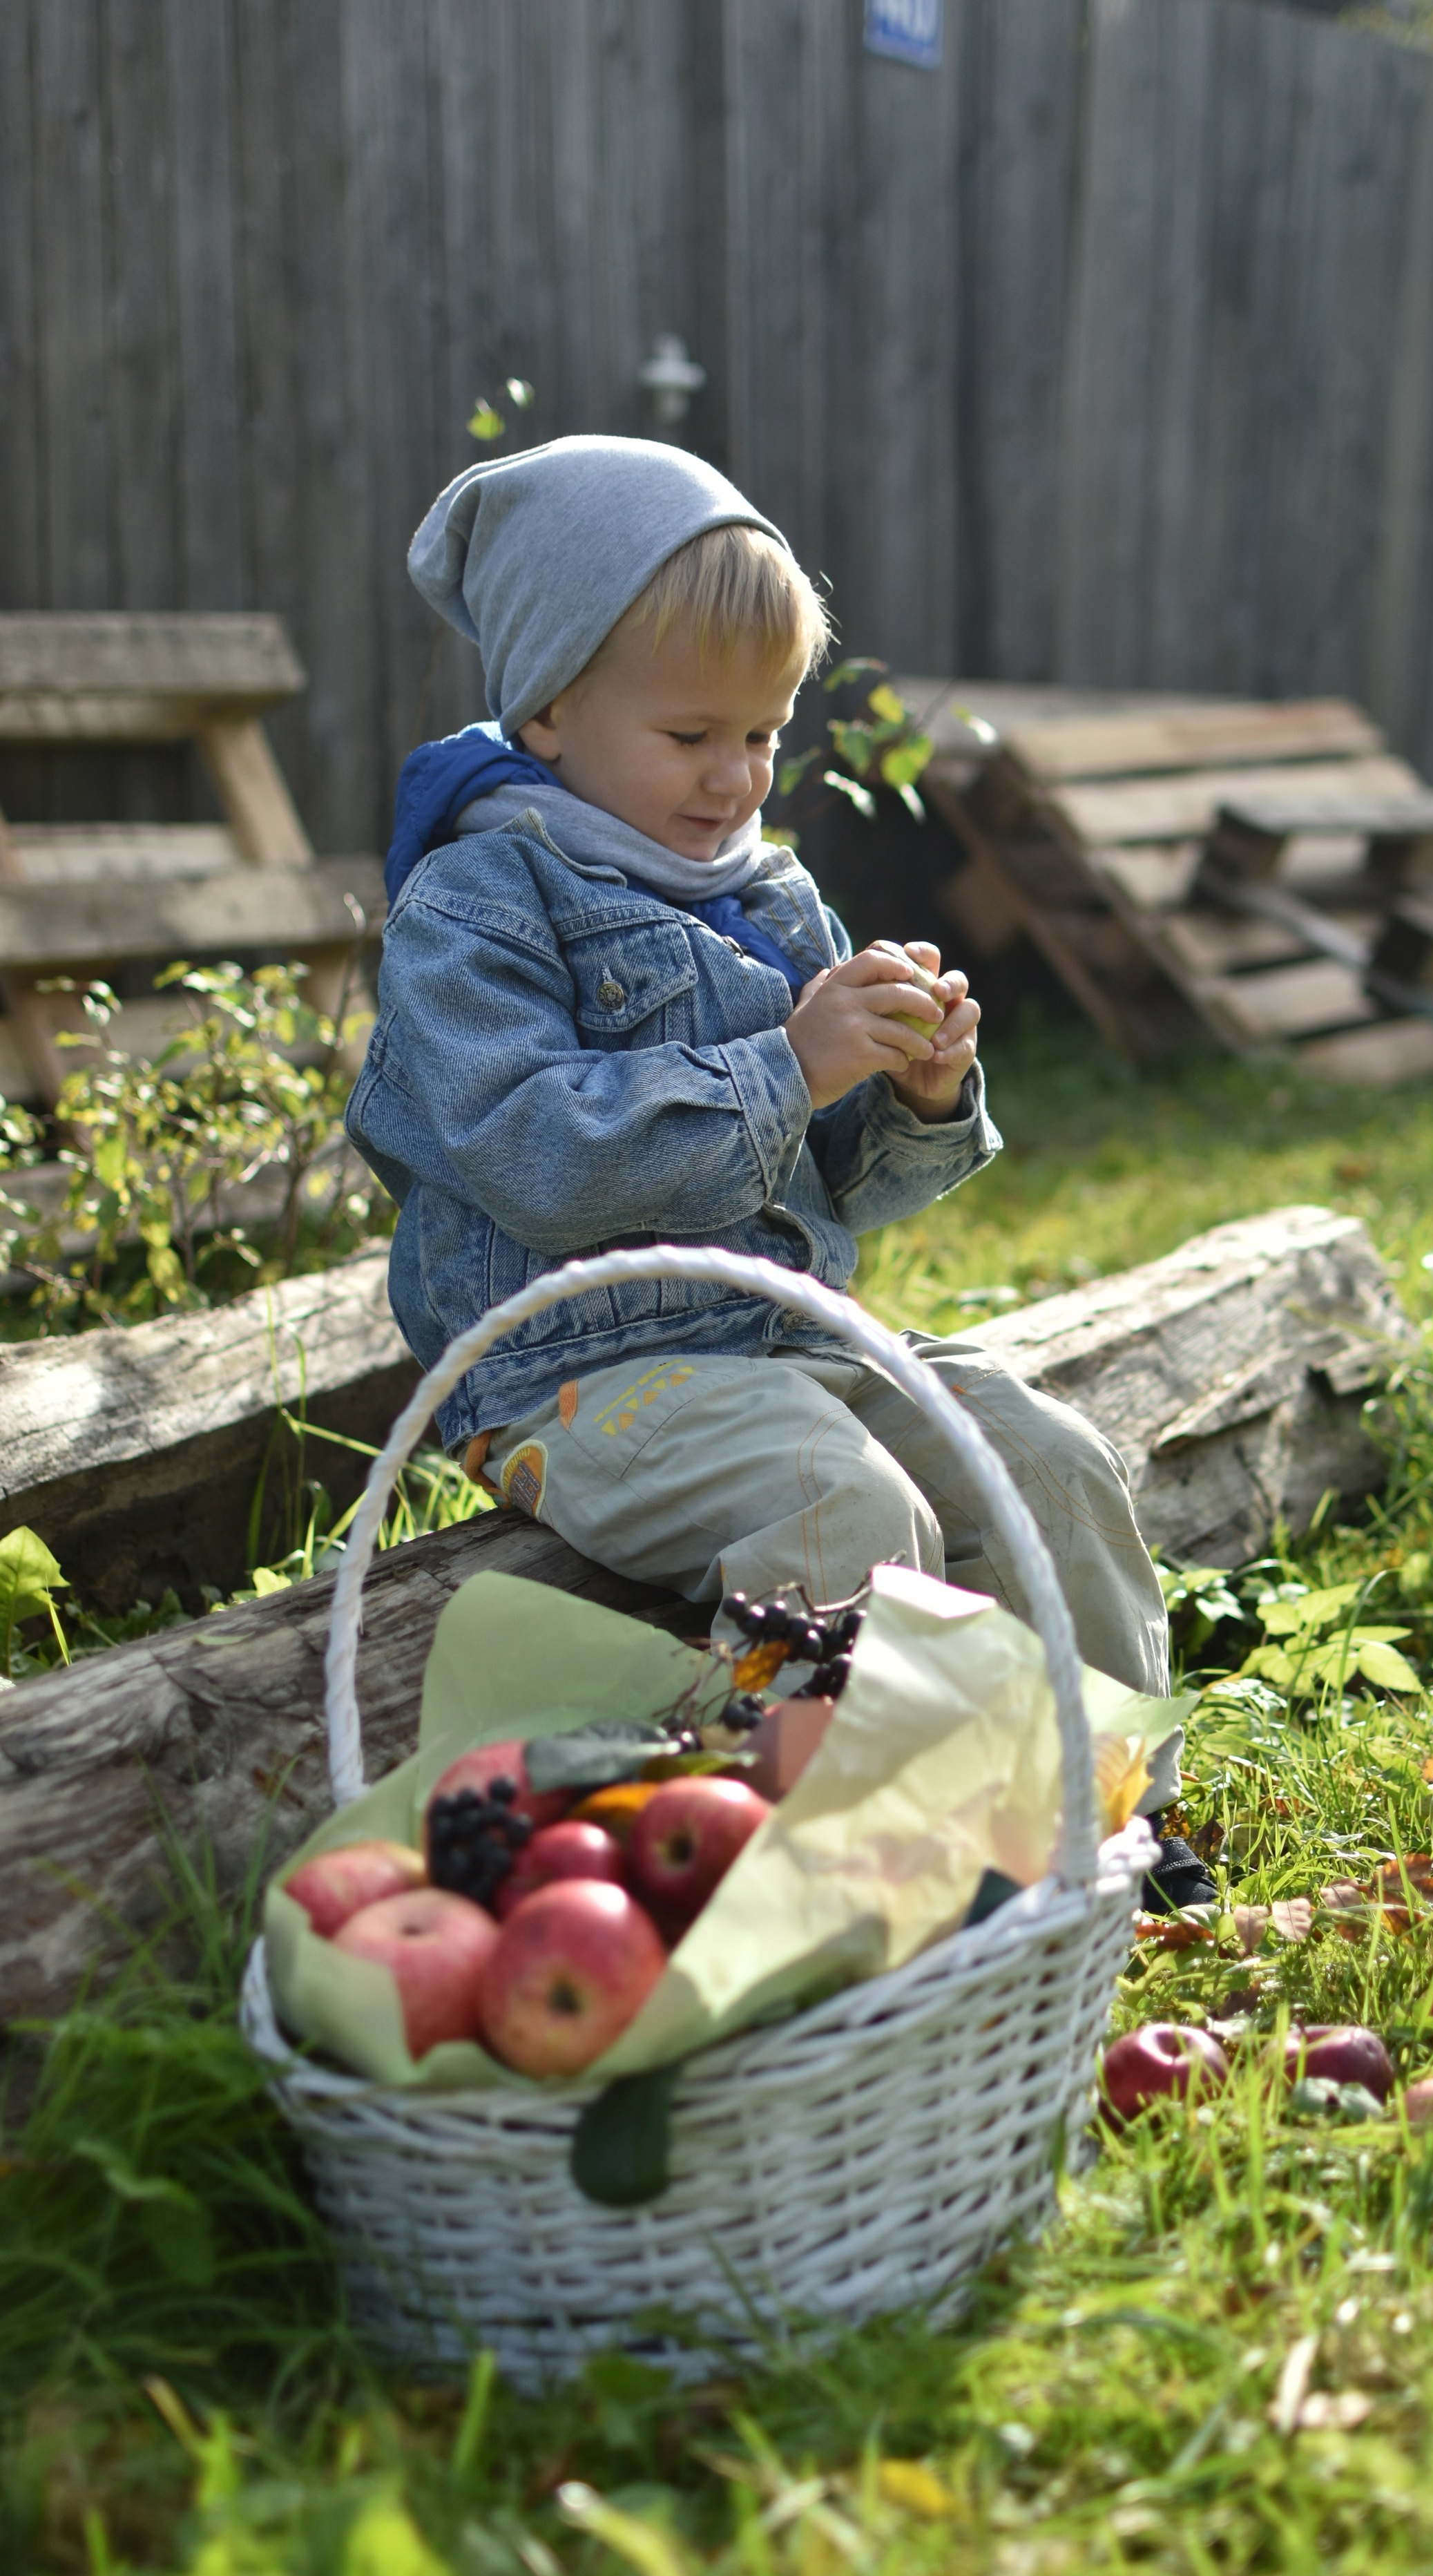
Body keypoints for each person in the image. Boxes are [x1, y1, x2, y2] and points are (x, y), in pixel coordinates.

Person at [347, 434, 1170, 1695]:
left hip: (784, 1348)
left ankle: (1100, 1810)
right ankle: (810, 1843)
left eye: (764, 734)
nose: (735, 781)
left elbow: (838, 1181)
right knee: (843, 1513)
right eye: (690, 735)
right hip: (572, 1382)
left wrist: (911, 1090)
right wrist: (789, 1064)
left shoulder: (767, 896)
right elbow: (535, 1154)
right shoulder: (480, 902)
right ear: (551, 709)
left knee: (1039, 1459)